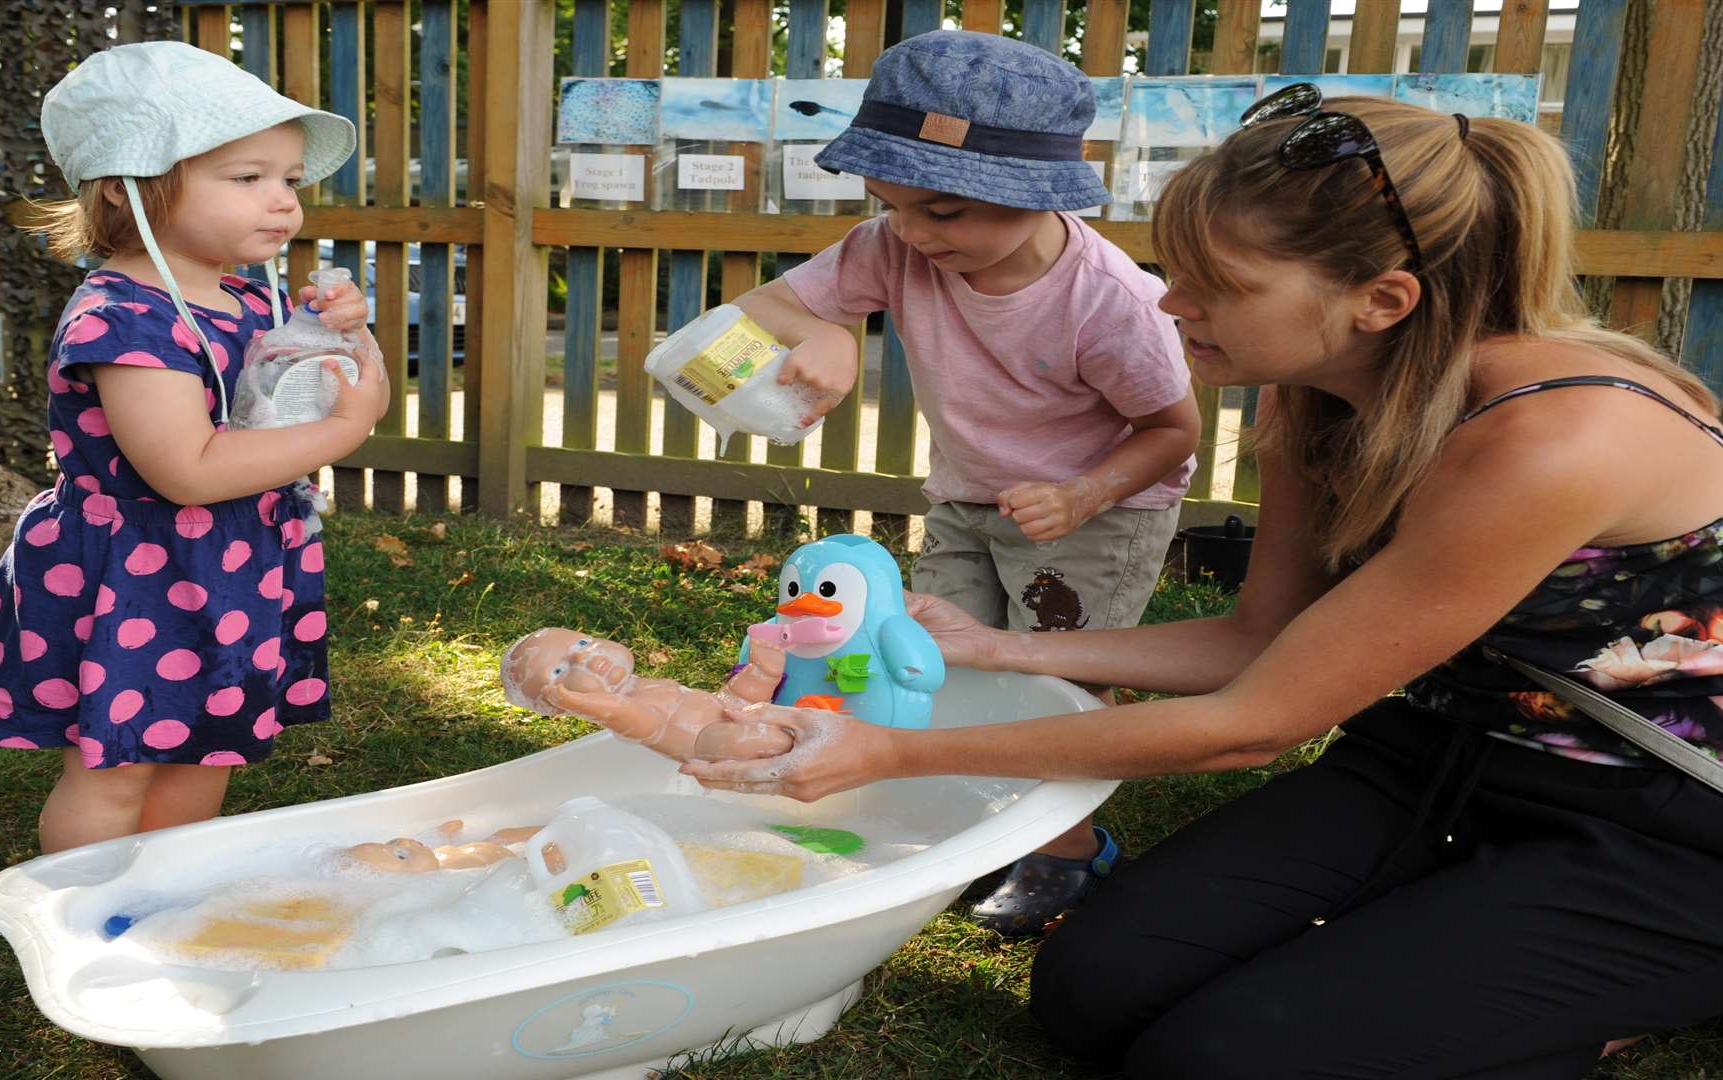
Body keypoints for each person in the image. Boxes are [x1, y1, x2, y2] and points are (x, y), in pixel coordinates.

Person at [685, 83, 1723, 1077]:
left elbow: (1253, 722)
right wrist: (999, 646)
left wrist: (888, 753)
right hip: (1445, 756)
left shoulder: (1552, 440)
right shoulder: (1309, 402)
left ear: (1381, 300)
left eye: (1216, 284)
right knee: (1093, 991)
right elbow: (1253, 639)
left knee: (1223, 1059)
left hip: (1669, 818)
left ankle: (1598, 1000)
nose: (1171, 302)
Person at [731, 29, 1202, 935]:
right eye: (888, 202)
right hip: (966, 497)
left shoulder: (1111, 303)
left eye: (941, 210)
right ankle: (966, 819)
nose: (909, 230)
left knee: (1060, 678)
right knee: (936, 659)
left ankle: (1067, 849)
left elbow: (1172, 433)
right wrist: (824, 332)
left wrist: (1084, 494)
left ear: (1036, 195)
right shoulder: (896, 246)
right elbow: (763, 304)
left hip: (1095, 518)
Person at [0, 42, 390, 854]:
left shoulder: (250, 297)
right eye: (247, 177)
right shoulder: (123, 320)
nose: (283, 201)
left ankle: (154, 901)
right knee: (118, 765)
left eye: (288, 179)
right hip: (139, 572)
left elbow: (340, 397)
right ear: (131, 187)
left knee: (205, 749)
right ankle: (82, 922)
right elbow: (185, 472)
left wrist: (353, 341)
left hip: (228, 565)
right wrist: (341, 434)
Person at [501, 627, 795, 762]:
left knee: (735, 698)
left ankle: (765, 675)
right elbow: (623, 714)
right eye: (558, 672)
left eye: (580, 643)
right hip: (712, 748)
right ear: (561, 705)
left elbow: (722, 706)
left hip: (725, 710)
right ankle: (794, 749)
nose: (582, 659)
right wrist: (578, 703)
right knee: (740, 739)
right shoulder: (626, 714)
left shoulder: (643, 687)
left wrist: (759, 675)